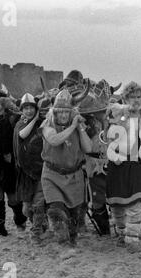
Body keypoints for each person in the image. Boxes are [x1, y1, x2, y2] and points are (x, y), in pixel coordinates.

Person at [105, 81, 141, 253]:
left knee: (135, 202)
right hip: (118, 162)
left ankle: (132, 238)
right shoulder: (116, 114)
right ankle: (122, 232)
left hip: (137, 163)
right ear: (125, 98)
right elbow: (110, 138)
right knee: (117, 204)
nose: (135, 100)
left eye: (138, 97)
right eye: (132, 97)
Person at [40, 89, 93, 246]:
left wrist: (80, 128)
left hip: (74, 176)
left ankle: (72, 241)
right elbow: (55, 140)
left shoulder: (77, 126)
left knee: (74, 216)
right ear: (54, 112)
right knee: (56, 211)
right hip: (52, 175)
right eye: (60, 112)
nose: (63, 115)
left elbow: (88, 148)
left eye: (66, 112)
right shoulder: (47, 124)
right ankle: (62, 243)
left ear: (72, 112)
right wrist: (72, 127)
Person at [0, 87, 27, 236]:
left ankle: (19, 218)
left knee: (14, 199)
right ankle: (0, 228)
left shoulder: (14, 118)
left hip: (10, 162)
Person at [13, 93, 48, 242]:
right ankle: (41, 224)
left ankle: (36, 233)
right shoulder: (20, 124)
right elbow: (22, 134)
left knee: (39, 204)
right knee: (27, 209)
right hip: (25, 172)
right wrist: (34, 119)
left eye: (31, 108)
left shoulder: (43, 123)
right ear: (22, 110)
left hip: (41, 170)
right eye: (26, 108)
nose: (29, 111)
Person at [77, 96, 111, 235]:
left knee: (117, 199)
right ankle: (105, 230)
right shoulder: (82, 123)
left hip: (113, 164)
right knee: (97, 202)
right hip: (92, 166)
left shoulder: (113, 121)